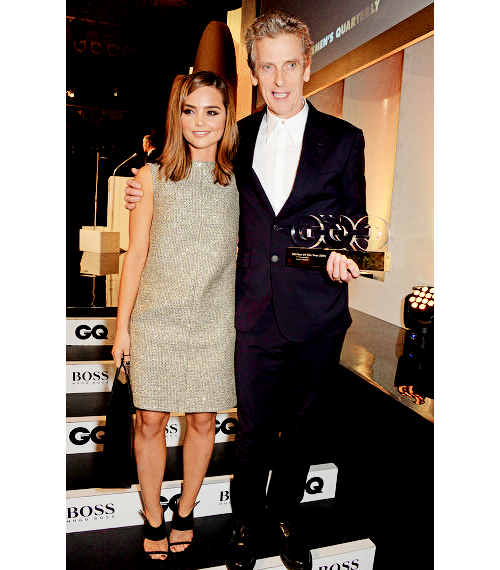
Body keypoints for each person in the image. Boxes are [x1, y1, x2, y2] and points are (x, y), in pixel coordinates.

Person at [124, 11, 367, 570]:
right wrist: (145, 188)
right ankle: (245, 524)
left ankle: (285, 521)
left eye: (289, 65)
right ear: (254, 73)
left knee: (302, 432)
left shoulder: (345, 140)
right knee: (253, 433)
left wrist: (345, 251)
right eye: (267, 67)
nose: (279, 79)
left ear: (308, 65)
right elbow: (191, 172)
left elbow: (355, 220)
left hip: (318, 313)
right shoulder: (238, 138)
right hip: (252, 311)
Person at [112, 70, 239, 562]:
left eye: (212, 111)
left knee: (204, 421)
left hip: (213, 321)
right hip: (156, 320)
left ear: (227, 117)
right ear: (176, 114)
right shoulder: (151, 177)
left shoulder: (239, 181)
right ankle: (153, 517)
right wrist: (122, 328)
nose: (200, 122)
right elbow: (136, 254)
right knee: (149, 422)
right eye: (190, 111)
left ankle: (186, 510)